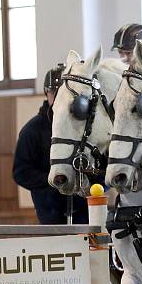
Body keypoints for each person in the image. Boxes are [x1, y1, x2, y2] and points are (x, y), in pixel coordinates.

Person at [13, 64, 89, 224]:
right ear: (46, 93)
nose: (58, 98)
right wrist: (53, 181)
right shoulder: (31, 130)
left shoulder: (85, 127)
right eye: (54, 92)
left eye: (63, 93)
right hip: (50, 213)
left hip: (86, 211)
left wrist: (91, 185)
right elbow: (21, 173)